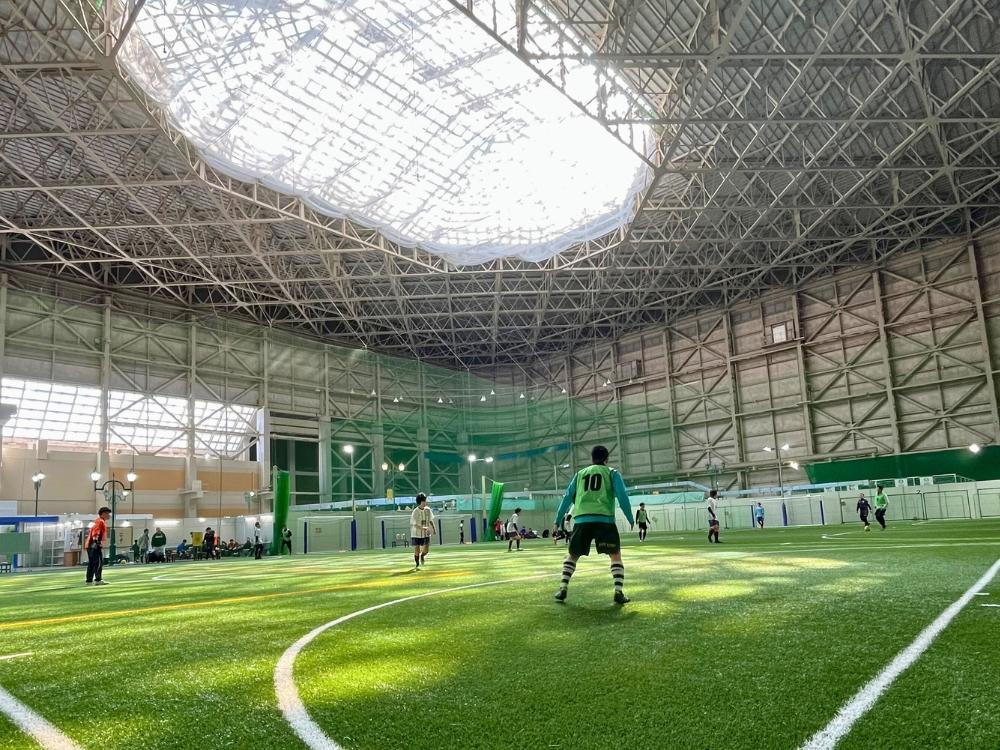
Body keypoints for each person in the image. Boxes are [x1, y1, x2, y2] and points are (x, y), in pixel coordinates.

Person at [552, 445, 634, 605]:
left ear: (592, 458)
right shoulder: (612, 473)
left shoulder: (579, 474)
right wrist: (630, 517)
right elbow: (622, 496)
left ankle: (563, 588)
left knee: (573, 554)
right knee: (615, 555)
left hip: (582, 520)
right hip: (604, 520)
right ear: (607, 458)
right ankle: (618, 592)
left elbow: (567, 497)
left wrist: (557, 520)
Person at [85, 506, 112, 586]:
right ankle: (98, 580)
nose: (109, 515)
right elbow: (96, 531)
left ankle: (89, 581)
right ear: (103, 514)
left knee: (92, 563)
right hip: (94, 544)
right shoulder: (100, 521)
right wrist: (96, 541)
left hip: (90, 544)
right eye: (108, 513)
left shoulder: (98, 521)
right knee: (98, 562)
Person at [409, 493, 435, 568]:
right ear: (421, 501)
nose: (426, 502)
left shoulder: (428, 510)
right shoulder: (415, 511)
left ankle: (422, 556)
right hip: (416, 534)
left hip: (426, 533)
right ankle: (417, 564)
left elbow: (431, 520)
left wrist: (434, 528)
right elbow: (414, 524)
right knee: (417, 550)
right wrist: (423, 528)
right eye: (425, 500)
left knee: (426, 550)